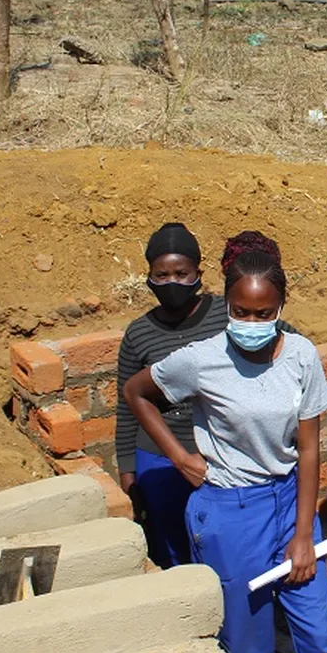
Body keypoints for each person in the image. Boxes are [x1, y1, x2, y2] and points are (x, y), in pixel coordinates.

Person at [122, 231, 327, 653]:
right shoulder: (201, 359)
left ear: (281, 307)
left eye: (264, 314)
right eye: (241, 312)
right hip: (228, 510)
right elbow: (135, 393)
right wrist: (178, 455)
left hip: (288, 499)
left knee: (319, 635)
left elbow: (308, 450)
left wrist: (304, 536)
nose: (252, 324)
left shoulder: (302, 356)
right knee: (246, 640)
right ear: (228, 305)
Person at [115, 222, 229, 569]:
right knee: (172, 545)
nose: (172, 283)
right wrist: (129, 475)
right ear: (148, 278)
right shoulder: (138, 334)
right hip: (159, 459)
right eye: (161, 275)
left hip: (217, 451)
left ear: (199, 273)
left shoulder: (227, 314)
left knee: (220, 540)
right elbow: (126, 408)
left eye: (182, 273)